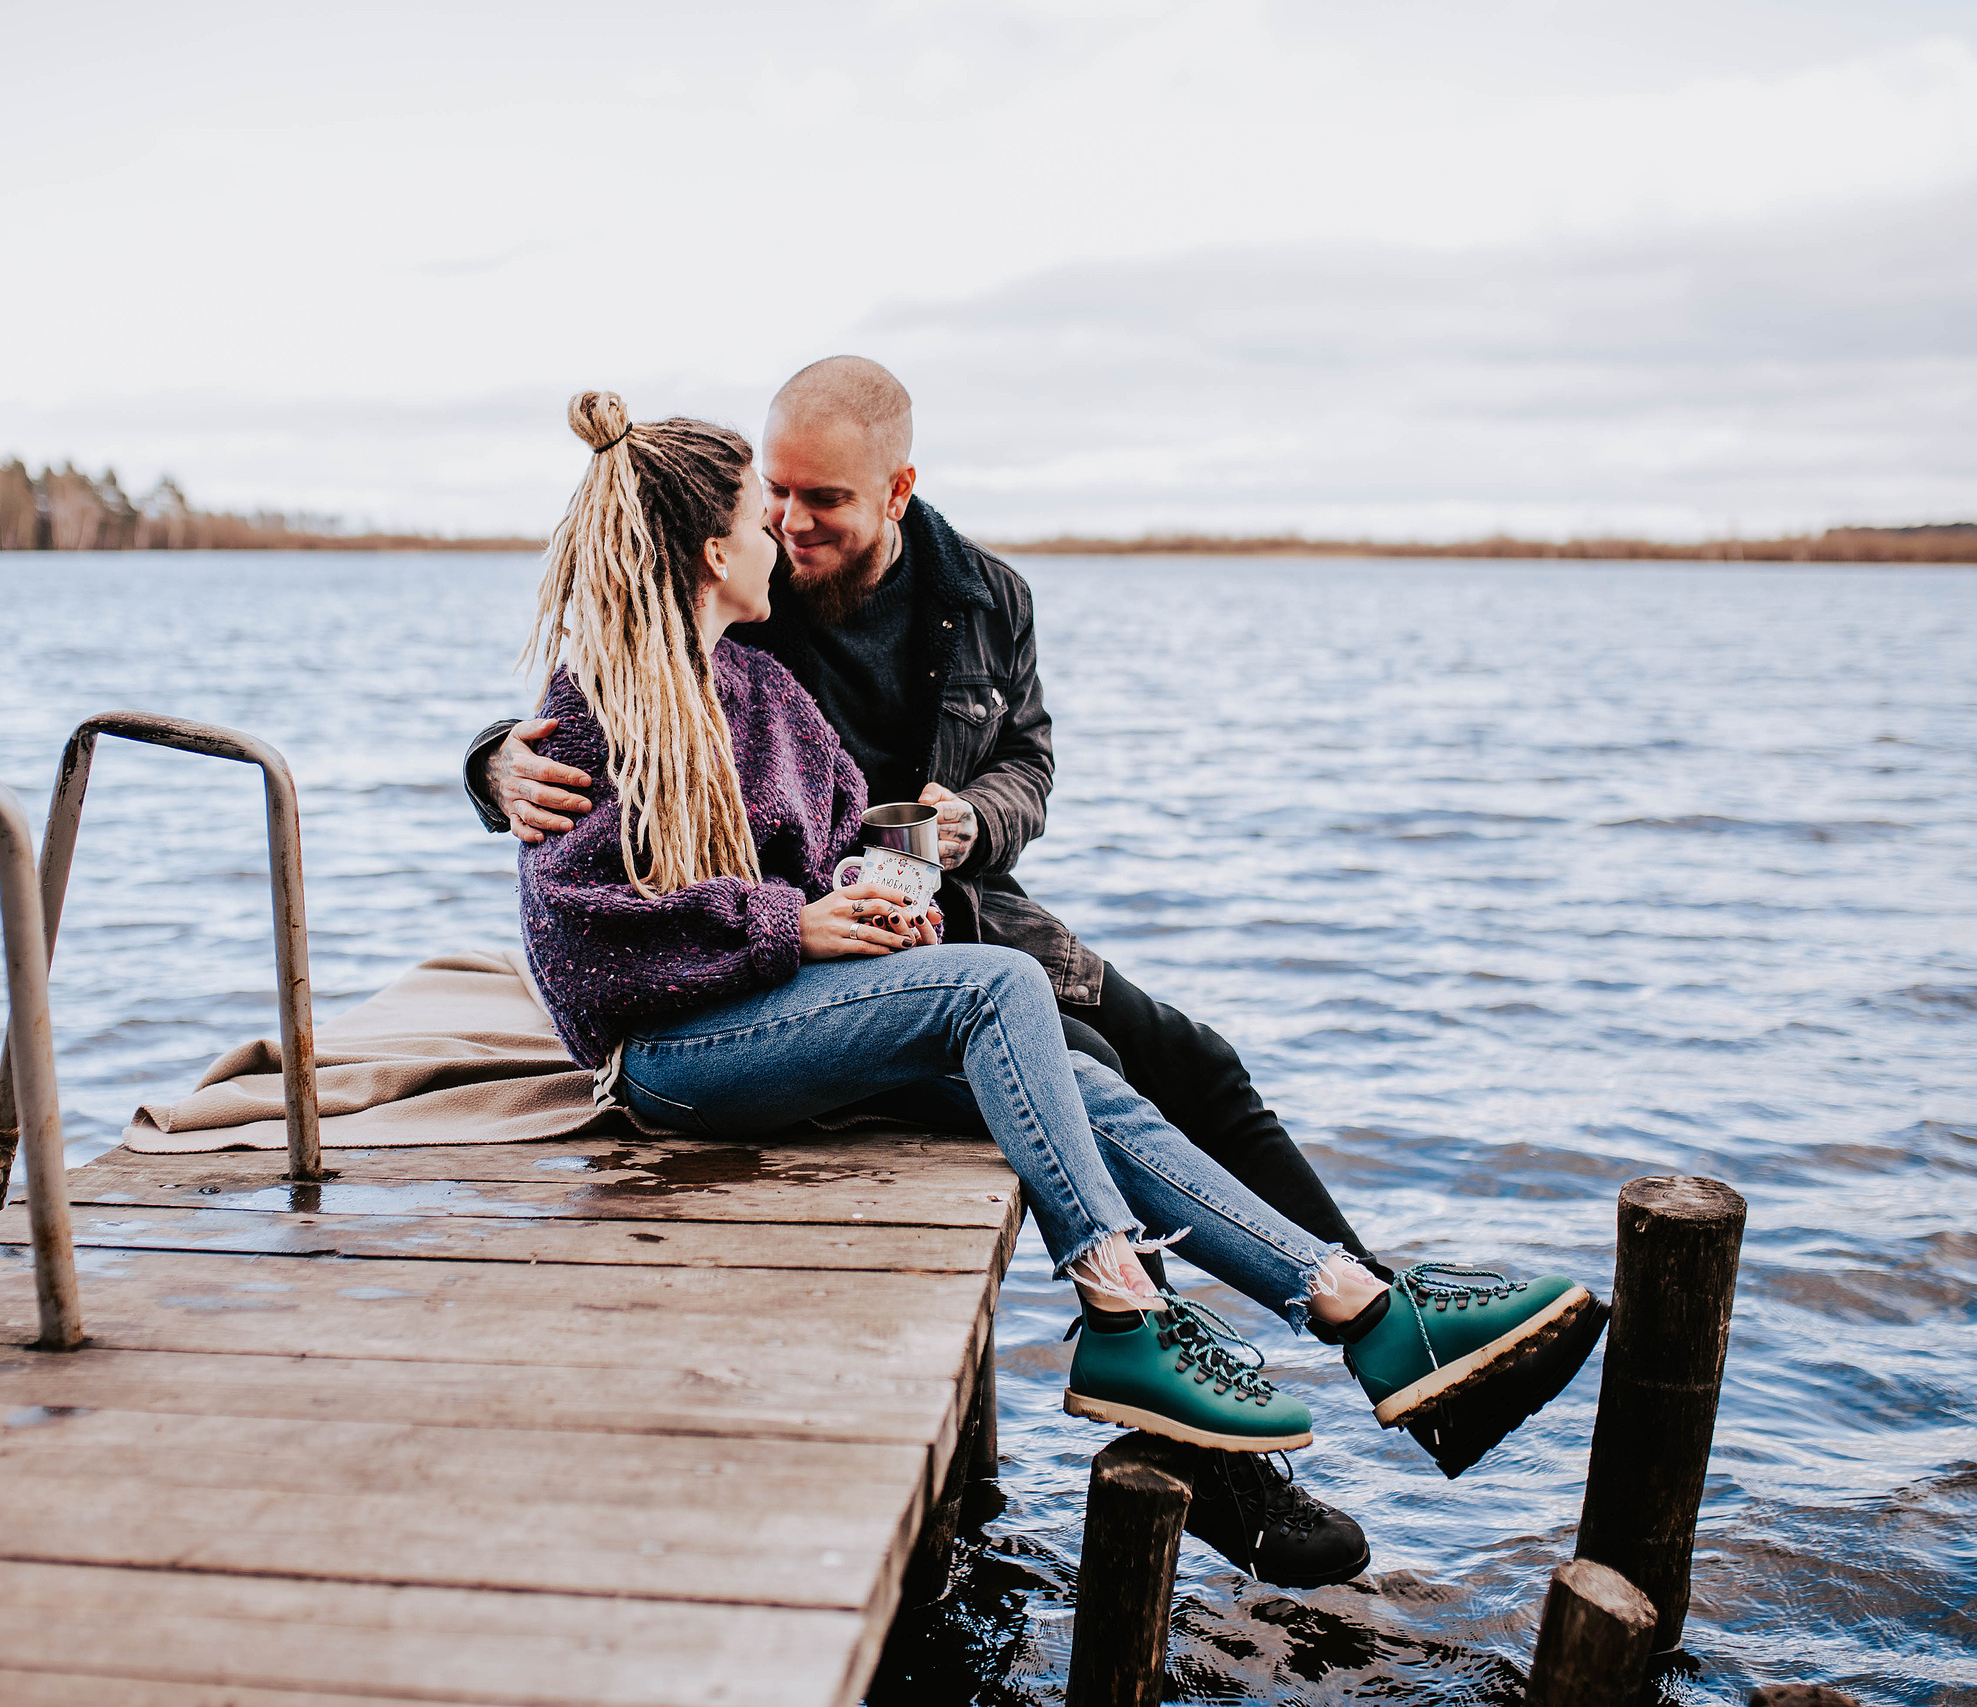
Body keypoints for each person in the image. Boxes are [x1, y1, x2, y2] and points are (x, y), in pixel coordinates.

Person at [507, 391, 1607, 1588]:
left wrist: (883, 890)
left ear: (894, 491)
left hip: (842, 980)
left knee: (1099, 1069)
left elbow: (942, 797)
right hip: (674, 1055)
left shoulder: (866, 648)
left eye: (815, 501)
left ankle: (1360, 1308)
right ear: (717, 551)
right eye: (762, 510)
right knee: (992, 992)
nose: (784, 525)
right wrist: (792, 926)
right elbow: (577, 948)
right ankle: (1124, 1313)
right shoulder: (606, 699)